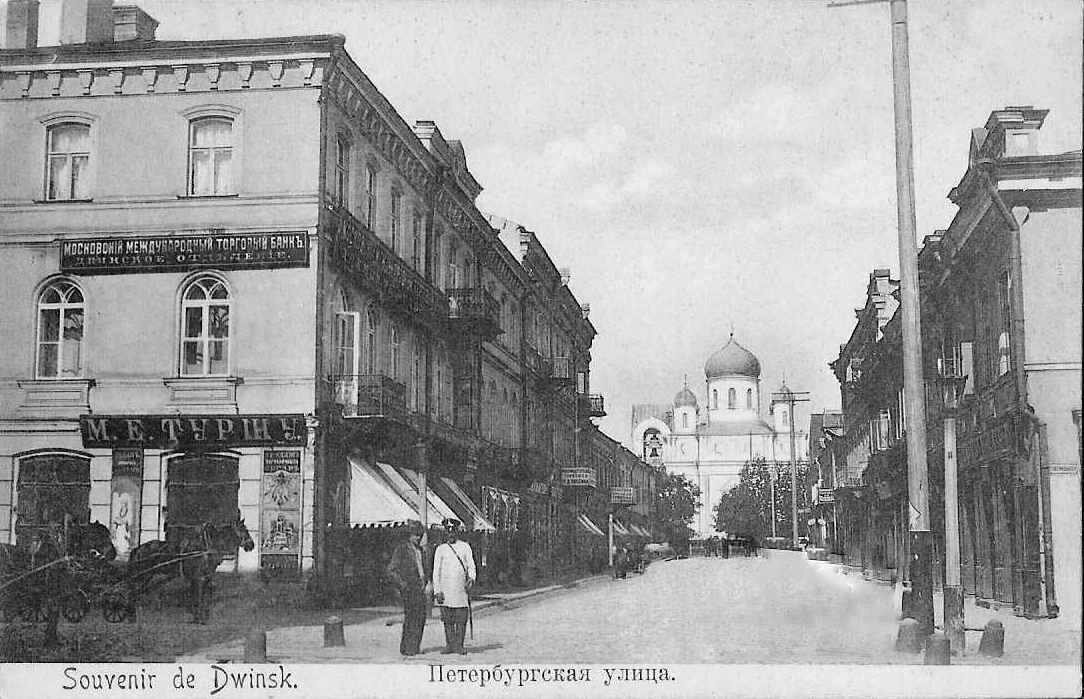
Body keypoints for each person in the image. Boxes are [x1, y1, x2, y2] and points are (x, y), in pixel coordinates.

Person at [385, 521, 430, 657]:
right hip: (409, 588)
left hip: (420, 587)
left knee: (420, 617)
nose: (418, 538)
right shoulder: (402, 549)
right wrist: (402, 584)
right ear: (410, 536)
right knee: (411, 617)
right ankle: (408, 647)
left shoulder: (421, 551)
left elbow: (423, 568)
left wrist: (426, 580)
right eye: (415, 535)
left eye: (420, 535)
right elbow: (391, 570)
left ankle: (414, 646)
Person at [432, 518, 475, 655]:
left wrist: (471, 579)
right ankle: (450, 645)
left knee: (461, 618)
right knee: (447, 619)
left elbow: (471, 566)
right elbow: (436, 572)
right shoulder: (440, 549)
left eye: (453, 531)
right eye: (448, 531)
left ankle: (459, 645)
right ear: (445, 533)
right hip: (445, 591)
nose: (451, 534)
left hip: (460, 590)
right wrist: (437, 590)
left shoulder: (465, 547)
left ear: (457, 532)